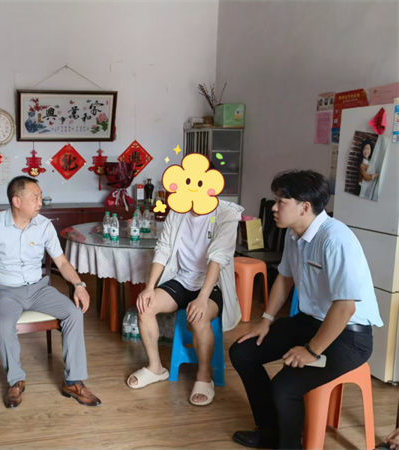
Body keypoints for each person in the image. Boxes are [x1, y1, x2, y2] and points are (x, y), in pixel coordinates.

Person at [230, 170, 382, 450]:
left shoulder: (335, 239)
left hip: (349, 336)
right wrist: (266, 319)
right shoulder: (294, 234)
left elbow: (345, 307)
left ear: (304, 207)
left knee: (285, 387)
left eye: (281, 201)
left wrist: (312, 350)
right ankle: (270, 431)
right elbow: (285, 278)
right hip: (310, 322)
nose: (274, 207)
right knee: (243, 352)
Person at [0, 175, 101, 409]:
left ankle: (73, 382)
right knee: (4, 327)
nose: (40, 202)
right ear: (17, 201)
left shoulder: (44, 225)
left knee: (74, 313)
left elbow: (62, 262)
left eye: (41, 197)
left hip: (38, 289)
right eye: (35, 197)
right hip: (5, 291)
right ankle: (16, 381)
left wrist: (79, 285)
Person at [126, 199, 243, 406]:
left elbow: (219, 256)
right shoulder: (178, 211)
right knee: (145, 307)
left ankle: (204, 376)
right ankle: (155, 368)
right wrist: (150, 287)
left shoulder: (226, 213)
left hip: (212, 284)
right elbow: (163, 248)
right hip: (181, 279)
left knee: (199, 317)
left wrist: (202, 298)